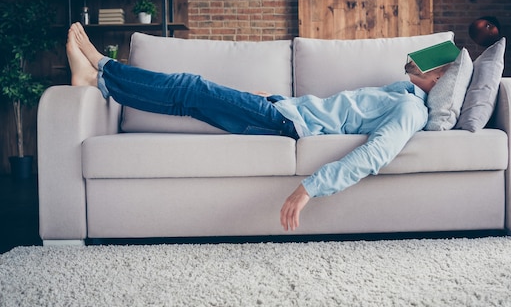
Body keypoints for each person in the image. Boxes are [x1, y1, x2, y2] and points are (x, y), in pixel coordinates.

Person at [66, 22, 450, 232]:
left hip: (285, 123)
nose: (417, 58)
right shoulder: (402, 92)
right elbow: (338, 112)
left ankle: (102, 66)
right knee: (188, 99)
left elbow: (373, 155)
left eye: (431, 61)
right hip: (283, 111)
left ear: (440, 80)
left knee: (192, 88)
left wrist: (309, 188)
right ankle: (97, 82)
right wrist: (279, 100)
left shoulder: (410, 111)